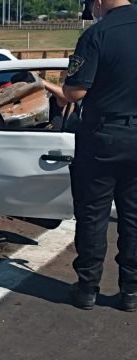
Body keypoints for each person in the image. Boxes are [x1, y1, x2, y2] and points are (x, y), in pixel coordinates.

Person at [47, 0, 137, 311]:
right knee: (134, 218)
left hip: (103, 138)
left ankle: (87, 289)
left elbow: (74, 93)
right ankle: (131, 293)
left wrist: (47, 85)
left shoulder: (97, 34)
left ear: (98, 2)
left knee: (93, 216)